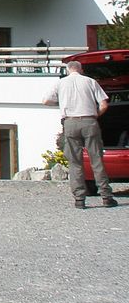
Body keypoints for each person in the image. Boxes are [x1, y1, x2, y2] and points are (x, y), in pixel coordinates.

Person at [43, 61, 118, 209]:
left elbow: (45, 100)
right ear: (81, 70)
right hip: (89, 121)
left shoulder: (61, 83)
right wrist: (95, 116)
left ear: (68, 70)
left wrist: (61, 103)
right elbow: (104, 105)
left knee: (75, 162)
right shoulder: (91, 81)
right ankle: (106, 196)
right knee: (96, 159)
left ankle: (79, 199)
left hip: (70, 122)